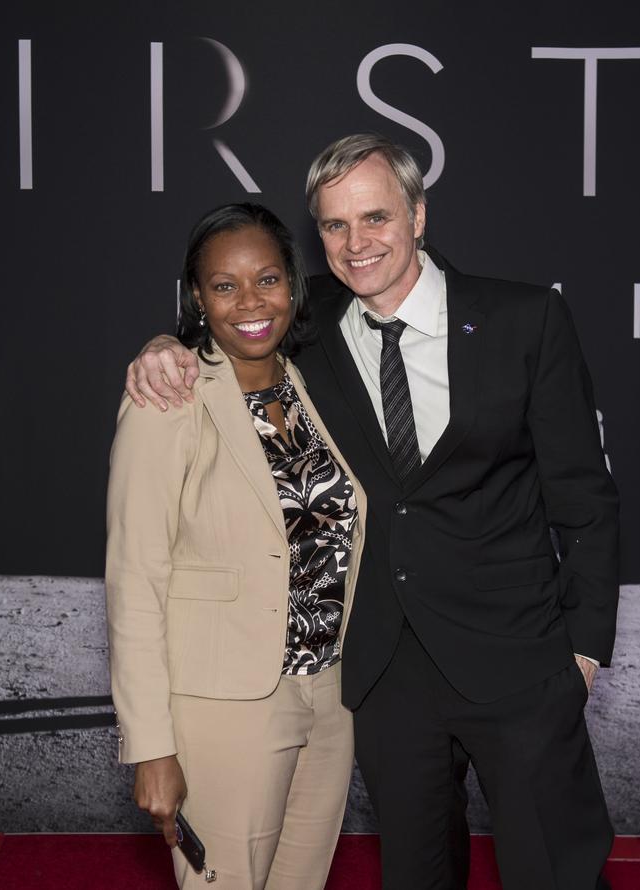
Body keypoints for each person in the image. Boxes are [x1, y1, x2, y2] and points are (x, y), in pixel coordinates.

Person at [125, 135, 619, 889]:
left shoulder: (525, 319)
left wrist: (582, 653)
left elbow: (585, 500)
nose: (356, 243)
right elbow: (231, 312)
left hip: (518, 659)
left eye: (376, 217)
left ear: (417, 216)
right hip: (388, 673)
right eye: (334, 225)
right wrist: (163, 344)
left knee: (555, 872)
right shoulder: (307, 321)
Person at [105, 202, 367, 889]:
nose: (250, 302)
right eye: (225, 286)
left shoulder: (317, 383)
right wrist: (151, 747)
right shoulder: (168, 399)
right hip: (223, 709)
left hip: (331, 697)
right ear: (198, 297)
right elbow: (134, 583)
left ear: (293, 286)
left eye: (267, 279)